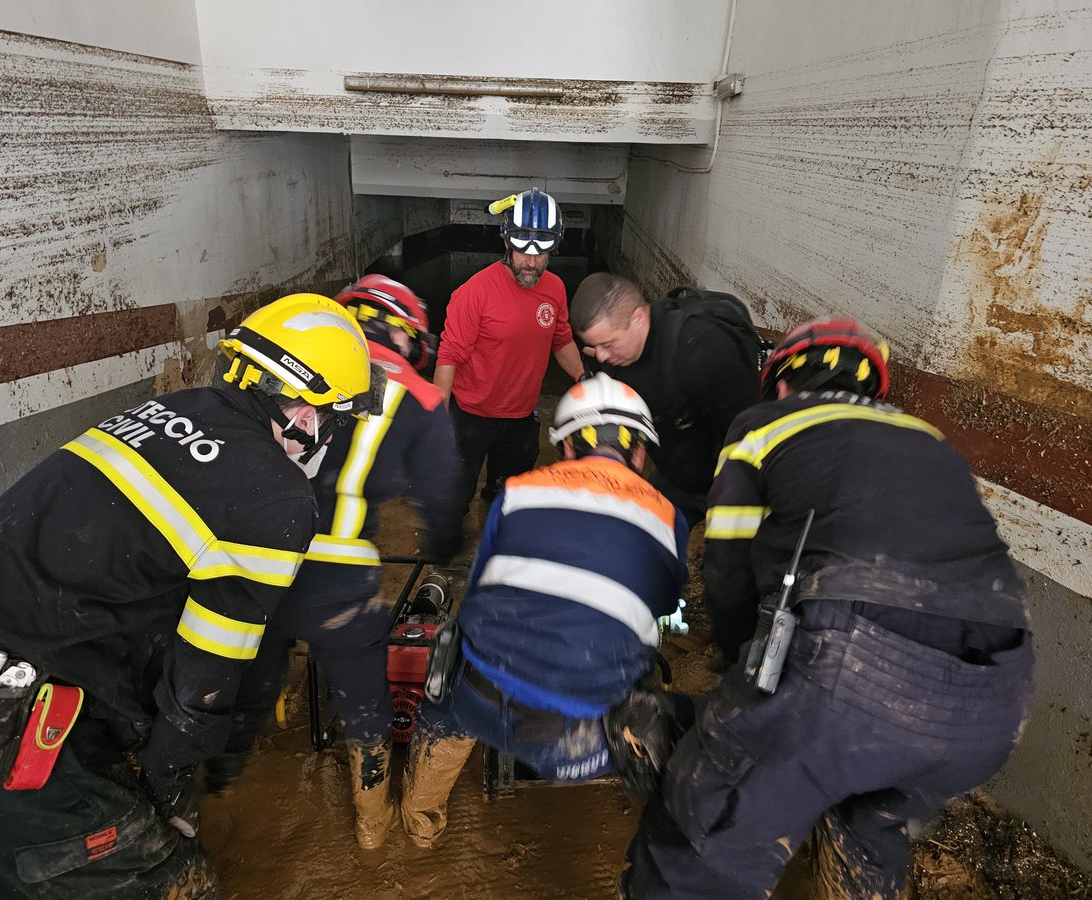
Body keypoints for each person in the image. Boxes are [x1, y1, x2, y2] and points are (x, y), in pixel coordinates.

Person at [0, 293, 376, 898]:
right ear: (306, 415)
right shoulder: (275, 497)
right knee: (174, 885)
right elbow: (206, 679)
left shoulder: (166, 411)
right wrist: (172, 774)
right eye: (338, 421)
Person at [623, 319, 1035, 899]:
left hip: (849, 672)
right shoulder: (927, 438)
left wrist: (741, 676)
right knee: (869, 820)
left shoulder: (763, 425)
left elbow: (728, 567)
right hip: (995, 708)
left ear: (783, 385)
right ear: (874, 390)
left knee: (699, 830)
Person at [207, 275, 462, 850]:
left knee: (248, 675)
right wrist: (443, 551)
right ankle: (372, 827)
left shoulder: (293, 367)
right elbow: (443, 499)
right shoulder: (421, 399)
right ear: (410, 336)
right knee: (364, 698)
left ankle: (217, 791)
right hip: (340, 581)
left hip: (255, 564)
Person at [399, 374, 689, 849]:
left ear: (566, 450)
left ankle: (419, 825)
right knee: (676, 714)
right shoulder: (667, 517)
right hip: (583, 746)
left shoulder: (516, 492)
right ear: (640, 453)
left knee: (442, 702)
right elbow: (663, 610)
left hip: (481, 705)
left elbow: (477, 595)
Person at [434, 187, 585, 521]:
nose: (530, 263)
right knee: (453, 496)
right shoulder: (473, 293)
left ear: (554, 248)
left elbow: (561, 339)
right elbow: (449, 356)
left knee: (508, 497)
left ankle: (493, 537)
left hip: (520, 418)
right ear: (506, 243)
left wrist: (583, 379)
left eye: (541, 253)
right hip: (470, 417)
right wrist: (437, 418)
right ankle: (445, 560)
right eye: (522, 252)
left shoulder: (556, 288)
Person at [571, 273, 761, 528]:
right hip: (675, 473)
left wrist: (738, 492)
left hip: (730, 478)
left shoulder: (702, 347)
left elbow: (751, 427)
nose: (602, 356)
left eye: (608, 344)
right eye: (595, 346)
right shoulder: (612, 363)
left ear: (638, 318)